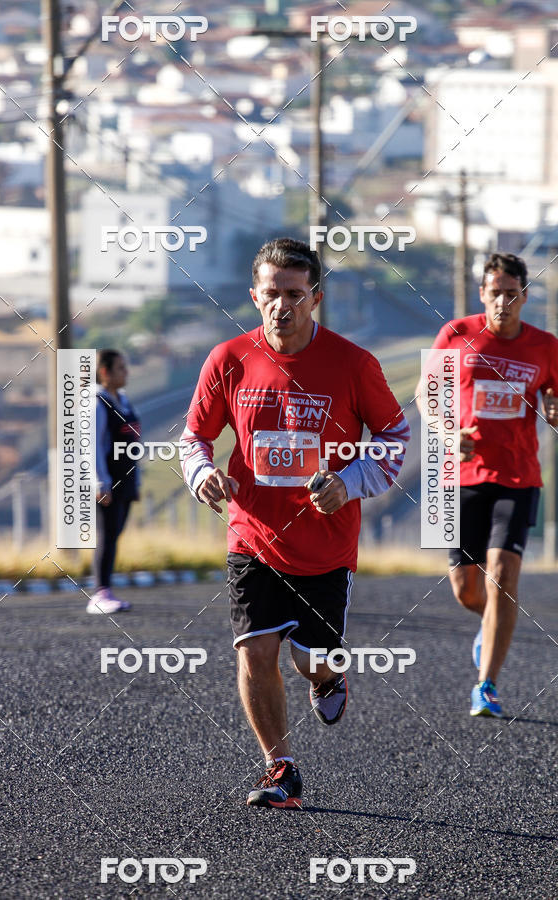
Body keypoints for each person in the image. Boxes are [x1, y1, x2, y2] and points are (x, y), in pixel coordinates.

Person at [180, 238, 410, 808]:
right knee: (254, 650)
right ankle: (279, 769)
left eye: (294, 294)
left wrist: (349, 482)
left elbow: (395, 439)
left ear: (315, 299)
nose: (282, 305)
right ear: (255, 297)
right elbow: (194, 439)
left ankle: (329, 679)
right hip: (252, 535)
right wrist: (201, 474)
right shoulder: (228, 359)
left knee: (310, 660)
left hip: (325, 546)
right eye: (271, 294)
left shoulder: (354, 364)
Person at [417, 252, 558, 717]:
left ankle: (487, 686)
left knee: (503, 576)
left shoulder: (544, 346)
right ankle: (492, 628)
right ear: (482, 294)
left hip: (518, 477)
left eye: (511, 293)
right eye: (494, 292)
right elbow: (425, 394)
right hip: (456, 475)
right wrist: (445, 433)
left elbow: (555, 398)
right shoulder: (455, 334)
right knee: (466, 590)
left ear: (524, 296)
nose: (502, 302)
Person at [88, 349, 140, 615]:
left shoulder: (125, 400)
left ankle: (105, 590)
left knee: (114, 535)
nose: (126, 372)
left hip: (127, 480)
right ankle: (100, 593)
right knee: (106, 536)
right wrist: (100, 482)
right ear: (105, 372)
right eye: (121, 368)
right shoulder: (97, 402)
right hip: (108, 482)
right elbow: (93, 446)